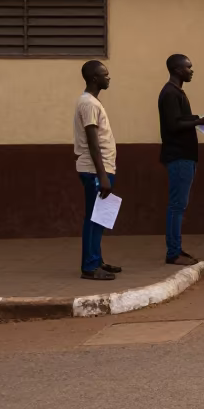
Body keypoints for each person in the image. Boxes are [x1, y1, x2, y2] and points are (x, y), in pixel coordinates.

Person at [158, 54, 204, 266]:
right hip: (178, 156)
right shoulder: (169, 94)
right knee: (177, 206)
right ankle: (173, 252)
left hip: (185, 156)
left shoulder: (177, 93)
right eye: (188, 67)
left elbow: (180, 120)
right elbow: (173, 125)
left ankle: (176, 248)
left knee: (179, 205)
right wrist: (202, 120)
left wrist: (198, 119)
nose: (191, 70)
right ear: (177, 70)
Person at [75, 60, 120, 280]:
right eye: (105, 74)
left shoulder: (93, 102)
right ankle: (90, 267)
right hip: (94, 170)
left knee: (100, 217)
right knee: (93, 218)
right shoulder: (89, 104)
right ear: (94, 78)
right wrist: (102, 175)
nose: (108, 77)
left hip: (101, 168)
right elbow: (93, 142)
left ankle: (97, 260)